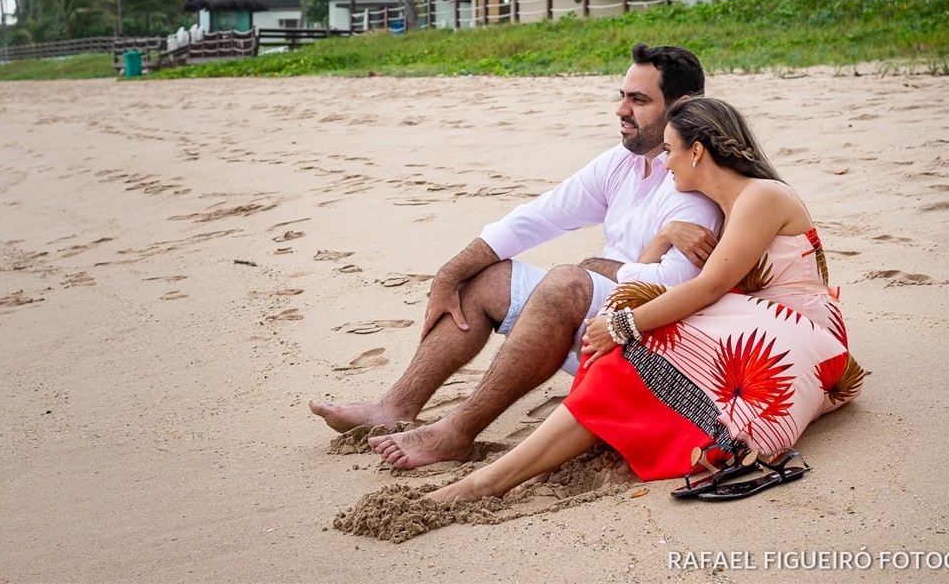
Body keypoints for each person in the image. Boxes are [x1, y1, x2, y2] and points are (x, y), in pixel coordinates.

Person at [428, 98, 865, 503]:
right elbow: (654, 273)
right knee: (629, 333)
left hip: (798, 331)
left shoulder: (760, 196)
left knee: (630, 342)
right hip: (756, 321)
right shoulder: (727, 202)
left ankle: (489, 481)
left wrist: (622, 325)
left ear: (696, 152)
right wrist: (661, 237)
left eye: (671, 150)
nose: (664, 161)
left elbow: (708, 287)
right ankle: (543, 457)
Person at [310, 44, 724, 469]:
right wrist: (449, 274)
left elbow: (673, 289)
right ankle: (396, 405)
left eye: (638, 100)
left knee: (566, 283)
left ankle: (457, 432)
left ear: (682, 107)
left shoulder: (695, 184)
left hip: (653, 350)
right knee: (486, 278)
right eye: (622, 95)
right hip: (601, 325)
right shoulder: (623, 162)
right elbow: (535, 218)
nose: (621, 109)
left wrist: (589, 272)